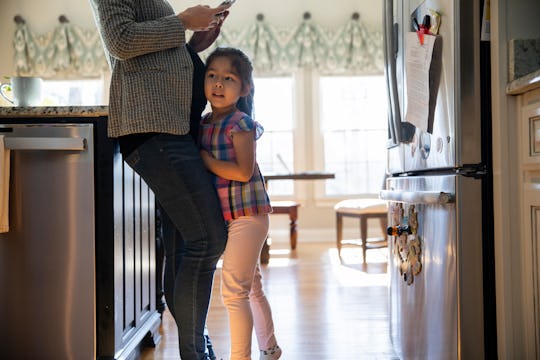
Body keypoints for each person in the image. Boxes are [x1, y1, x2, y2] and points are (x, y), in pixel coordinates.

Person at [89, 1, 232, 358]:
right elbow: (120, 41)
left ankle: (196, 348)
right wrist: (182, 21)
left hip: (172, 128)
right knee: (208, 238)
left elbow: (151, 53)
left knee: (185, 246)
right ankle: (196, 351)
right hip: (155, 131)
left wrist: (194, 42)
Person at [198, 47, 282, 360]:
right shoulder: (204, 122)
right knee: (251, 287)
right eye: (212, 76)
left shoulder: (240, 124)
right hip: (229, 216)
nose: (218, 84)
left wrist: (206, 161)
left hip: (248, 215)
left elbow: (243, 171)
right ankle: (270, 348)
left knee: (233, 291)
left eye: (229, 78)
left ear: (244, 88)